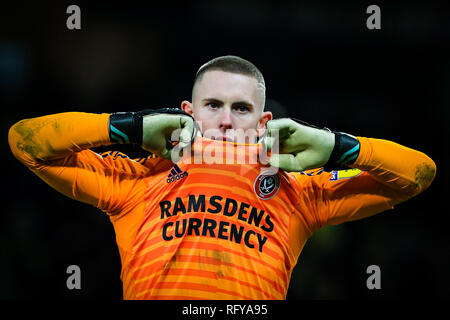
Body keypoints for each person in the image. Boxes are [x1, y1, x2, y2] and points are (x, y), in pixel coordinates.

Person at [8, 55, 436, 300]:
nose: (227, 121)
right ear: (187, 112)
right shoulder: (138, 179)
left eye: (242, 109)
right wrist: (132, 128)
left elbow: (418, 174)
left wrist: (334, 146)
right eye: (213, 104)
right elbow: (25, 142)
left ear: (263, 121)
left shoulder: (298, 190)